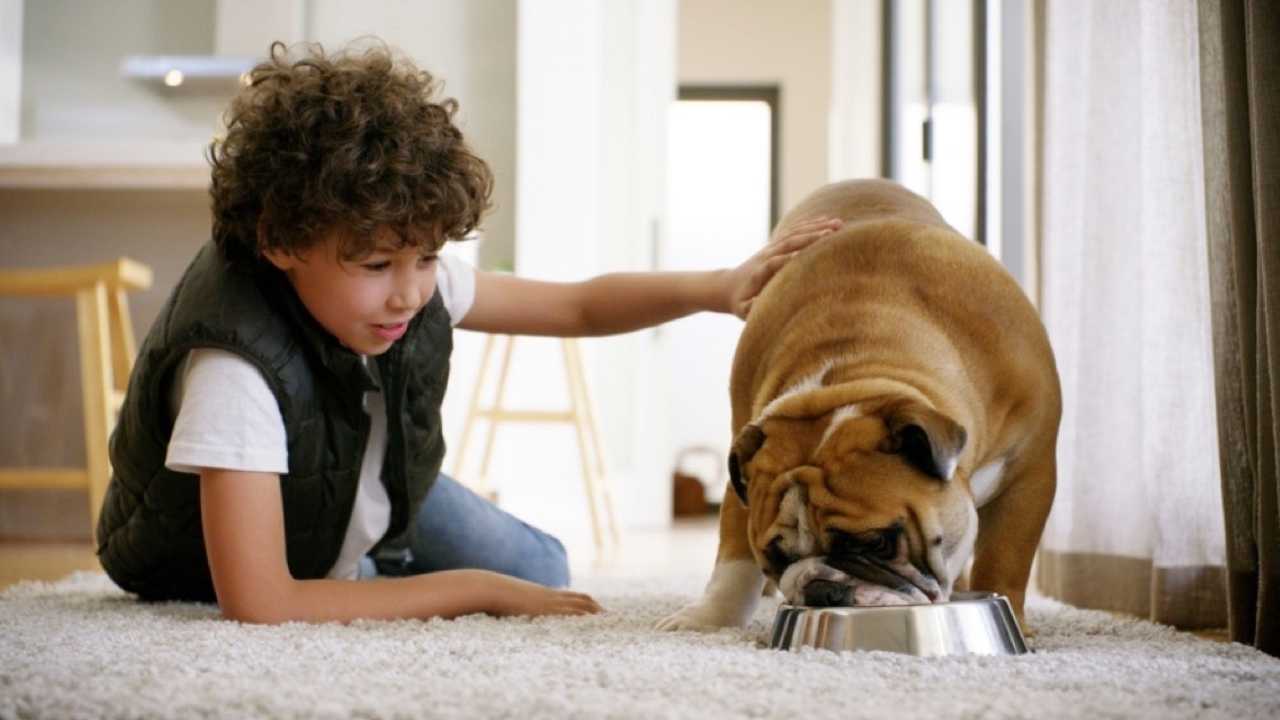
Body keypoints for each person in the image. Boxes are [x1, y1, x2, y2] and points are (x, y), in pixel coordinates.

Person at [95, 40, 842, 624]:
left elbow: (579, 307)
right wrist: (471, 590)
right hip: (204, 551)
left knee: (543, 571)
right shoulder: (234, 368)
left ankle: (370, 566)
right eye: (379, 263)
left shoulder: (407, 281)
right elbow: (261, 604)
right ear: (281, 240)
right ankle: (371, 575)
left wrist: (718, 287)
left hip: (367, 481)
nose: (410, 291)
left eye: (427, 257)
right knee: (497, 586)